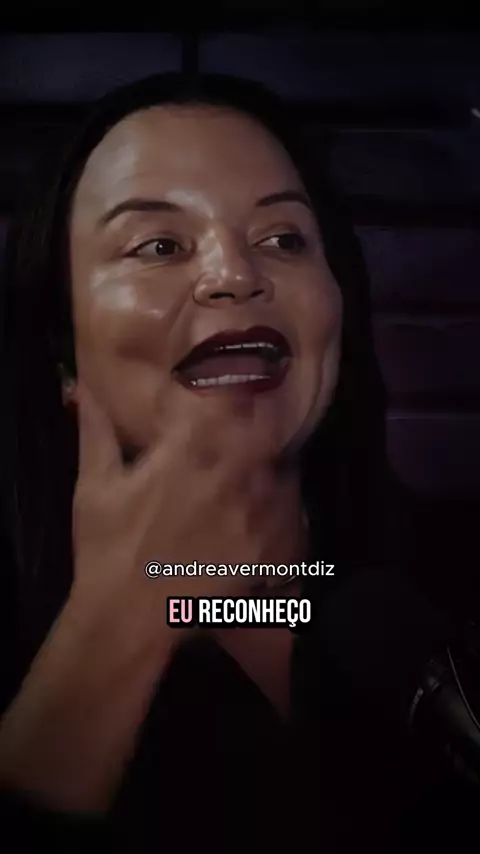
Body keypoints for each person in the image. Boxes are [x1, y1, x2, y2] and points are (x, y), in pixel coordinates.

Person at [0, 72, 465, 852]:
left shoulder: (445, 587)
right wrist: (115, 628)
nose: (236, 276)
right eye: (158, 246)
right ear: (63, 359)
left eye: (283, 240)